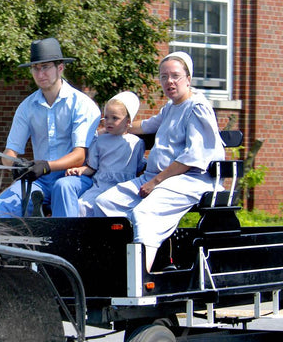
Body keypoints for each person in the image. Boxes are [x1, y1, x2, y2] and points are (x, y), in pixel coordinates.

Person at [95, 51, 225, 272]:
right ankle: (117, 265)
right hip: (155, 178)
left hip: (189, 180)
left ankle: (140, 279)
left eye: (175, 75)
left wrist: (156, 181)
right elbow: (145, 126)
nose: (169, 81)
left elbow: (192, 157)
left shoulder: (197, 108)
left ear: (188, 78)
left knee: (144, 213)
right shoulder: (170, 108)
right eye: (164, 77)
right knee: (105, 202)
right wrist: (112, 128)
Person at [0, 37, 101, 218]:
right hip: (40, 181)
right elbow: (9, 153)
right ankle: (8, 246)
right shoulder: (26, 107)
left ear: (60, 68)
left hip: (74, 177)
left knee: (62, 188)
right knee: (1, 206)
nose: (40, 74)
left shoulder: (82, 104)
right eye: (35, 68)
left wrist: (46, 166)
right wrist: (16, 165)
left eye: (46, 67)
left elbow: (80, 156)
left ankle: (65, 244)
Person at [65, 91, 146, 217]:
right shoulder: (100, 141)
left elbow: (139, 166)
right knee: (81, 205)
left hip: (123, 186)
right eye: (106, 117)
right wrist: (79, 170)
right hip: (101, 184)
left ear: (127, 121)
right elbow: (92, 167)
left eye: (115, 118)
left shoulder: (136, 143)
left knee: (103, 204)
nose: (109, 122)